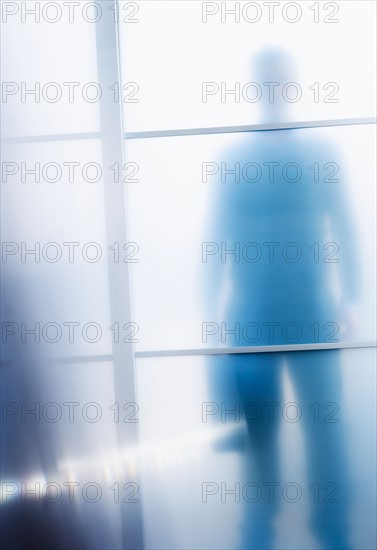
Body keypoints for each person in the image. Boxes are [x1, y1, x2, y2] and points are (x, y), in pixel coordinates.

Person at [203, 49, 359, 549]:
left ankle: (323, 531)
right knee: (268, 437)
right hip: (265, 312)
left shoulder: (300, 157)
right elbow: (216, 240)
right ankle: (270, 533)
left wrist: (352, 297)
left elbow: (348, 229)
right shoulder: (250, 160)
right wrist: (209, 314)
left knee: (319, 432)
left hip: (297, 310)